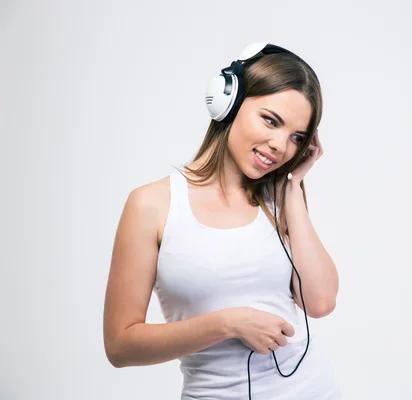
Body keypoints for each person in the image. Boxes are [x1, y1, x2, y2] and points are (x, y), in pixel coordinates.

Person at [102, 42, 342, 399]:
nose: (280, 146)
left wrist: (293, 191)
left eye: (295, 137)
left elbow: (319, 302)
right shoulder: (151, 205)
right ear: (228, 102)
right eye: (270, 120)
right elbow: (120, 346)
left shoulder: (279, 199)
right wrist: (227, 323)